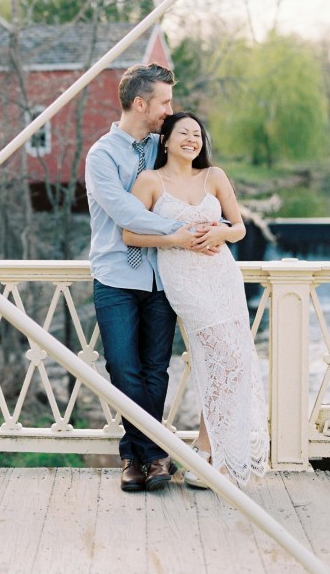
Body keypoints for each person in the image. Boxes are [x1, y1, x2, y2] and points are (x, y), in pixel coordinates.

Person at [123, 111, 269, 488]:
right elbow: (130, 234)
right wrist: (174, 240)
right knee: (224, 354)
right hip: (183, 279)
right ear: (166, 141)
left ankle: (207, 455)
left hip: (221, 274)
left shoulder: (214, 176)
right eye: (184, 133)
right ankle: (208, 456)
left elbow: (239, 228)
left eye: (198, 135)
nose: (192, 139)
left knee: (229, 360)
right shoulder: (150, 180)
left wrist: (221, 232)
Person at [85, 63, 205, 492]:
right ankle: (152, 453)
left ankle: (136, 459)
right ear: (141, 103)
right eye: (165, 102)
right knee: (122, 369)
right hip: (116, 276)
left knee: (157, 370)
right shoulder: (101, 156)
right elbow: (126, 214)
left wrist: (211, 222)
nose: (170, 110)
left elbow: (192, 186)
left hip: (162, 277)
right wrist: (177, 233)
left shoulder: (163, 146)